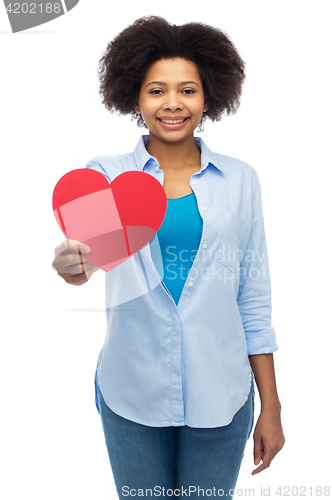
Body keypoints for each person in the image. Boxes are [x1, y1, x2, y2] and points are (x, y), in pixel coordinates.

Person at [52, 16, 285, 499]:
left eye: (188, 90)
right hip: (130, 388)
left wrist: (272, 407)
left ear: (209, 96)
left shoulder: (242, 180)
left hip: (222, 393)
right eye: (157, 90)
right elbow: (91, 261)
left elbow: (253, 298)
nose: (173, 103)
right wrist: (72, 266)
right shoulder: (106, 175)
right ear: (135, 98)